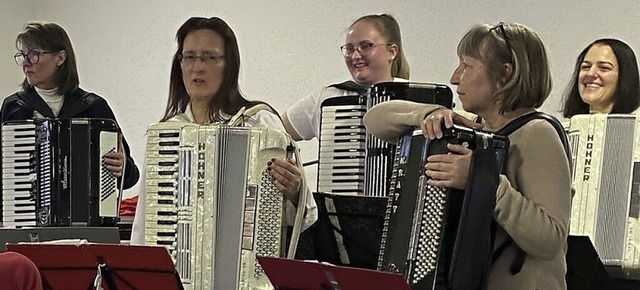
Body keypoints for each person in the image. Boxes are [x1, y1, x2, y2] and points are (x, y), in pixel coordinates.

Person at [363, 22, 571, 289]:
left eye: (467, 65)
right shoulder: (472, 129)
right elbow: (375, 119)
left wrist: (481, 181)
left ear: (504, 74)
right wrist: (427, 113)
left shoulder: (538, 133)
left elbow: (550, 239)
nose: (454, 77)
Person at [130, 17, 317, 244]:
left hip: (248, 270)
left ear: (229, 65)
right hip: (175, 271)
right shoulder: (167, 135)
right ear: (179, 64)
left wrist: (295, 192)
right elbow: (144, 226)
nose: (198, 67)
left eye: (209, 57)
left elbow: (305, 216)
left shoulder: (259, 123)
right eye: (189, 57)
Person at [0, 21, 140, 224]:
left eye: (33, 54)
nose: (25, 62)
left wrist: (121, 167)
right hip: (27, 222)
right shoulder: (14, 108)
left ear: (60, 57)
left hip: (86, 226)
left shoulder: (95, 108)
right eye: (22, 55)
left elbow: (131, 177)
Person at [283, 13, 410, 141]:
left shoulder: (414, 98)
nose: (355, 56)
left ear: (392, 51)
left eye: (366, 46)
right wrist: (290, 159)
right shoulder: (327, 97)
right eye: (349, 49)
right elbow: (274, 131)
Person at [562, 38, 640, 117]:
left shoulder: (637, 127)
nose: (590, 73)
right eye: (586, 67)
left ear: (624, 77)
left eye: (604, 68)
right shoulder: (561, 128)